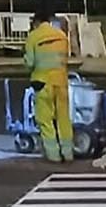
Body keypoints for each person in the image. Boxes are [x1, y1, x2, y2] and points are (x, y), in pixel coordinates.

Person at [23, 10, 73, 162]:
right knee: (63, 118)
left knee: (45, 120)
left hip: (42, 83)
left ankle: (53, 154)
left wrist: (25, 60)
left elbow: (30, 63)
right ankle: (68, 152)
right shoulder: (61, 35)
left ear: (36, 23)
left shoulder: (33, 37)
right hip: (61, 82)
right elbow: (65, 57)